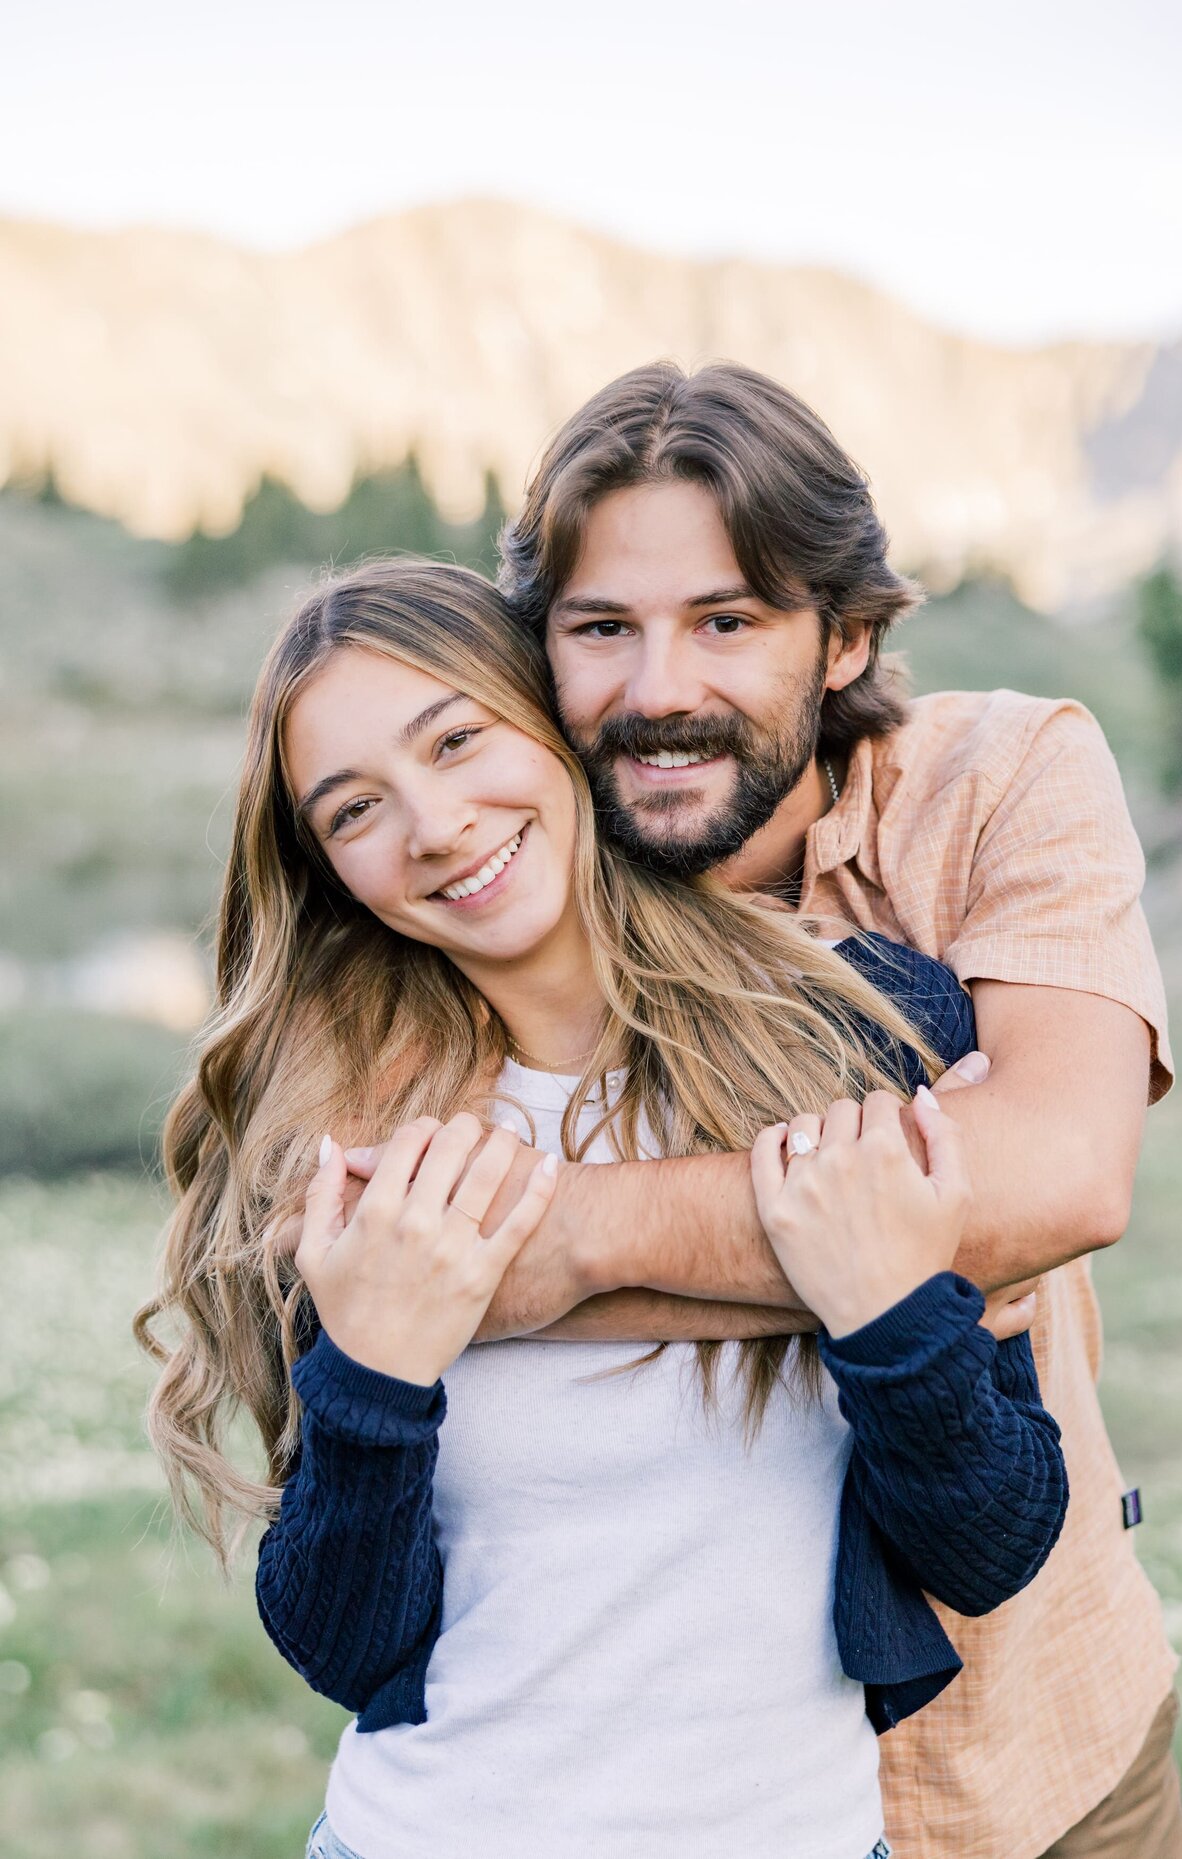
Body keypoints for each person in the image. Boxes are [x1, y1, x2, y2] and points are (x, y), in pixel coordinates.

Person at [137, 560, 1066, 1859]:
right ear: (329, 869)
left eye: (456, 740)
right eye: (355, 810)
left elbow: (990, 1550)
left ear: (557, 722)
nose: (436, 825)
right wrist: (375, 1377)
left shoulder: (862, 1033)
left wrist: (890, 1319)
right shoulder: (355, 1145)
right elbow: (343, 1643)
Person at [464, 358, 1182, 1859]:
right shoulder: (486, 872)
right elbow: (334, 1272)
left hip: (1042, 1746)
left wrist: (565, 1245)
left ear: (845, 635)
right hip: (668, 1800)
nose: (659, 691)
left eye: (726, 621)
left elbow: (1057, 1177)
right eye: (602, 628)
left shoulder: (999, 777)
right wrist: (913, 1248)